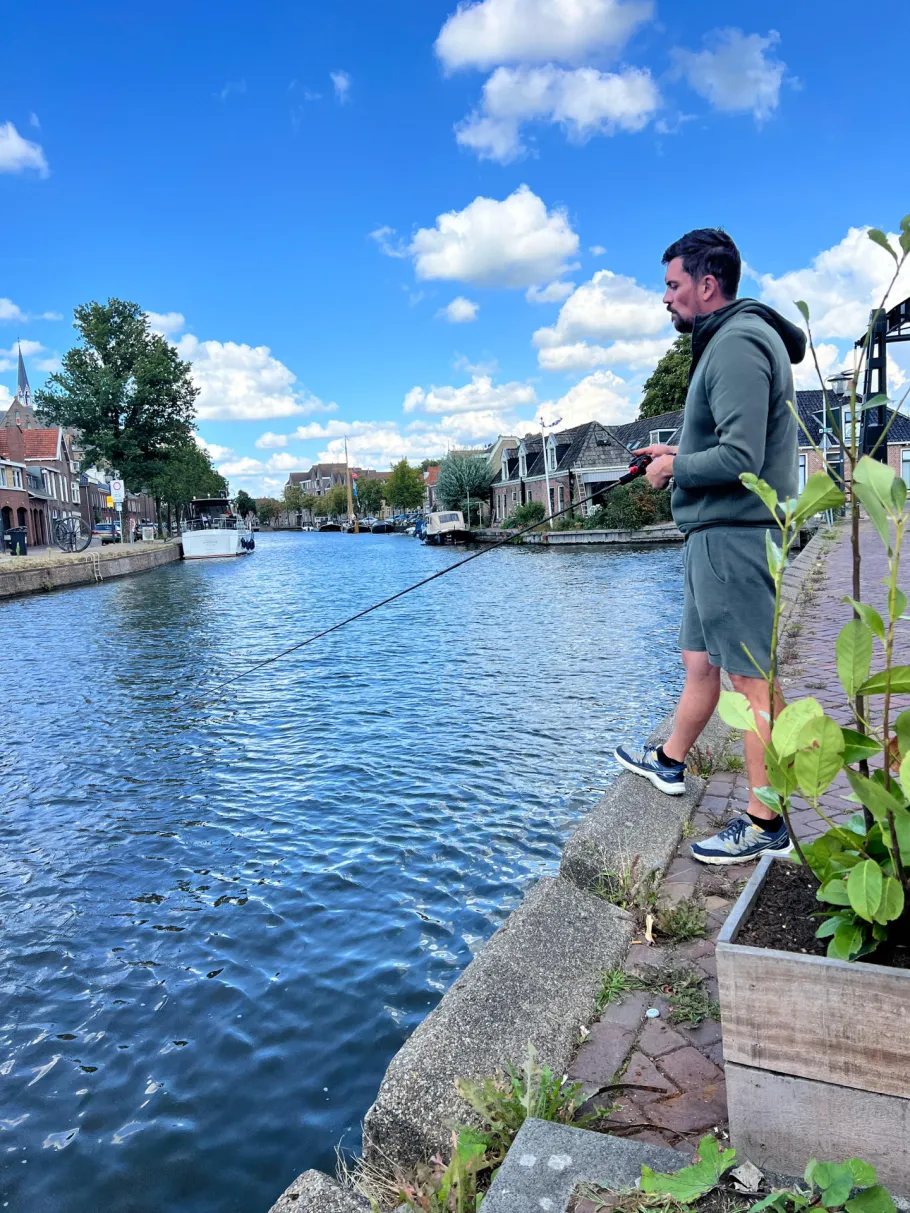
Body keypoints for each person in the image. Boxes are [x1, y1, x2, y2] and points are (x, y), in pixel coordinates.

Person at [615, 228, 806, 865]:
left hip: (735, 537)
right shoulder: (728, 341)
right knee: (699, 661)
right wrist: (674, 450)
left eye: (672, 285)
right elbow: (724, 443)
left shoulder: (738, 343)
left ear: (706, 284)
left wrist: (675, 468)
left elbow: (741, 457)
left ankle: (765, 823)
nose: (665, 297)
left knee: (752, 684)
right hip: (714, 536)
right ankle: (670, 760)